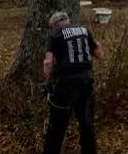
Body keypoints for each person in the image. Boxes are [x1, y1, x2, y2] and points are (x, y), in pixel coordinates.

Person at [42, 10, 104, 154]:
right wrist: (97, 44)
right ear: (67, 21)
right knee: (86, 122)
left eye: (51, 27)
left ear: (54, 25)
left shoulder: (54, 34)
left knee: (57, 124)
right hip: (87, 81)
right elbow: (100, 55)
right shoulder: (85, 30)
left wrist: (47, 83)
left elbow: (48, 62)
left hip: (66, 83)